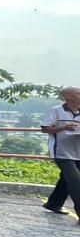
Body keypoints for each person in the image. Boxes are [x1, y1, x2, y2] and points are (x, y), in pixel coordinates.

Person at [41, 86, 80, 221]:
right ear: (68, 96)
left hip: (78, 152)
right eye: (78, 93)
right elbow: (45, 129)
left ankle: (54, 203)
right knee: (76, 181)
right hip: (61, 153)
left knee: (66, 179)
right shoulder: (56, 111)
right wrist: (63, 128)